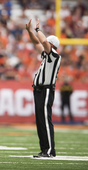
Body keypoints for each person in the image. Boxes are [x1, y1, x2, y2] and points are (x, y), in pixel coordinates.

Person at [25, 19, 61, 158]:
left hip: (46, 90)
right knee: (40, 121)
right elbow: (37, 43)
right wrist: (29, 31)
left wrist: (37, 29)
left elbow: (44, 42)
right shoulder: (47, 55)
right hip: (39, 90)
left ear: (52, 45)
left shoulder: (54, 56)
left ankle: (50, 151)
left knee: (45, 120)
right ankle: (44, 149)